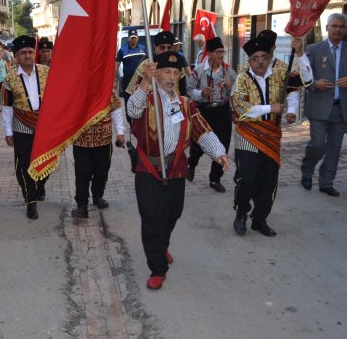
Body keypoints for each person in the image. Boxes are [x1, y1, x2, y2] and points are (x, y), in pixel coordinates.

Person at [127, 52, 229, 290]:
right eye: (166, 71)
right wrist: (144, 82)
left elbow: (203, 130)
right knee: (151, 218)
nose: (171, 77)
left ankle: (161, 245)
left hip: (176, 168)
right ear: (157, 73)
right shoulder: (146, 98)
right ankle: (158, 267)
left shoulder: (185, 103)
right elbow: (132, 110)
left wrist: (219, 152)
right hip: (148, 168)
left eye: (175, 72)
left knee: (173, 213)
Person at [231, 35, 313, 237]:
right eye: (255, 58)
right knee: (247, 178)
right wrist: (271, 107)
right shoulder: (242, 77)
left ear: (270, 57)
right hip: (247, 134)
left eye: (264, 57)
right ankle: (241, 214)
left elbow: (306, 81)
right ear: (249, 61)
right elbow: (239, 107)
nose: (260, 61)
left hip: (271, 134)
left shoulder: (281, 72)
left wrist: (300, 53)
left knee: (269, 180)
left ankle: (260, 219)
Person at [300, 13, 347, 197]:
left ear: (345, 29)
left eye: (341, 26)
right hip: (319, 106)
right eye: (334, 26)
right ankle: (307, 169)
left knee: (334, 149)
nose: (338, 29)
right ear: (327, 28)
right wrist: (315, 84)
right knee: (317, 145)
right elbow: (301, 75)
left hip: (341, 108)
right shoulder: (314, 49)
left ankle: (326, 182)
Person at [1, 35, 50, 219]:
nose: (28, 55)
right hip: (21, 127)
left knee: (48, 162)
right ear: (16, 56)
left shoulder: (47, 72)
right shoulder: (9, 79)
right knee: (24, 166)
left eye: (30, 52)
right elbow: (6, 108)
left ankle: (41, 184)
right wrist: (8, 132)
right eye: (23, 53)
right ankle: (31, 201)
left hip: (45, 127)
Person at [186, 36, 237, 192]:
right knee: (198, 144)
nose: (221, 55)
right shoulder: (199, 70)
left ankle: (215, 179)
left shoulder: (229, 71)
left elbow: (240, 90)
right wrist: (201, 93)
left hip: (223, 111)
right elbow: (188, 90)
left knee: (223, 144)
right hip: (204, 111)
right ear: (209, 54)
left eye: (223, 52)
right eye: (218, 52)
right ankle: (191, 164)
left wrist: (232, 87)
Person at [71, 89, 125, 218]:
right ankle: (82, 205)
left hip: (104, 142)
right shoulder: (77, 89)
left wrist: (120, 133)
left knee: (102, 172)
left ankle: (97, 196)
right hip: (81, 142)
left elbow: (116, 111)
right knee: (82, 174)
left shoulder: (107, 90)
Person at [126, 31, 178, 97]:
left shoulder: (178, 63)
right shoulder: (146, 64)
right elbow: (132, 90)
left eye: (169, 48)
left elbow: (183, 90)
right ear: (156, 48)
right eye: (162, 48)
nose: (166, 51)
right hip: (151, 105)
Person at [116, 29, 146, 119]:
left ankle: (140, 120)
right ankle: (130, 121)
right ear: (128, 39)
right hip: (128, 81)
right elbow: (116, 65)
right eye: (132, 38)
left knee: (141, 100)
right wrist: (114, 80)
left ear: (138, 38)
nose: (133, 39)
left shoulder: (143, 48)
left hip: (141, 81)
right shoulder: (122, 50)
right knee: (128, 101)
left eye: (135, 38)